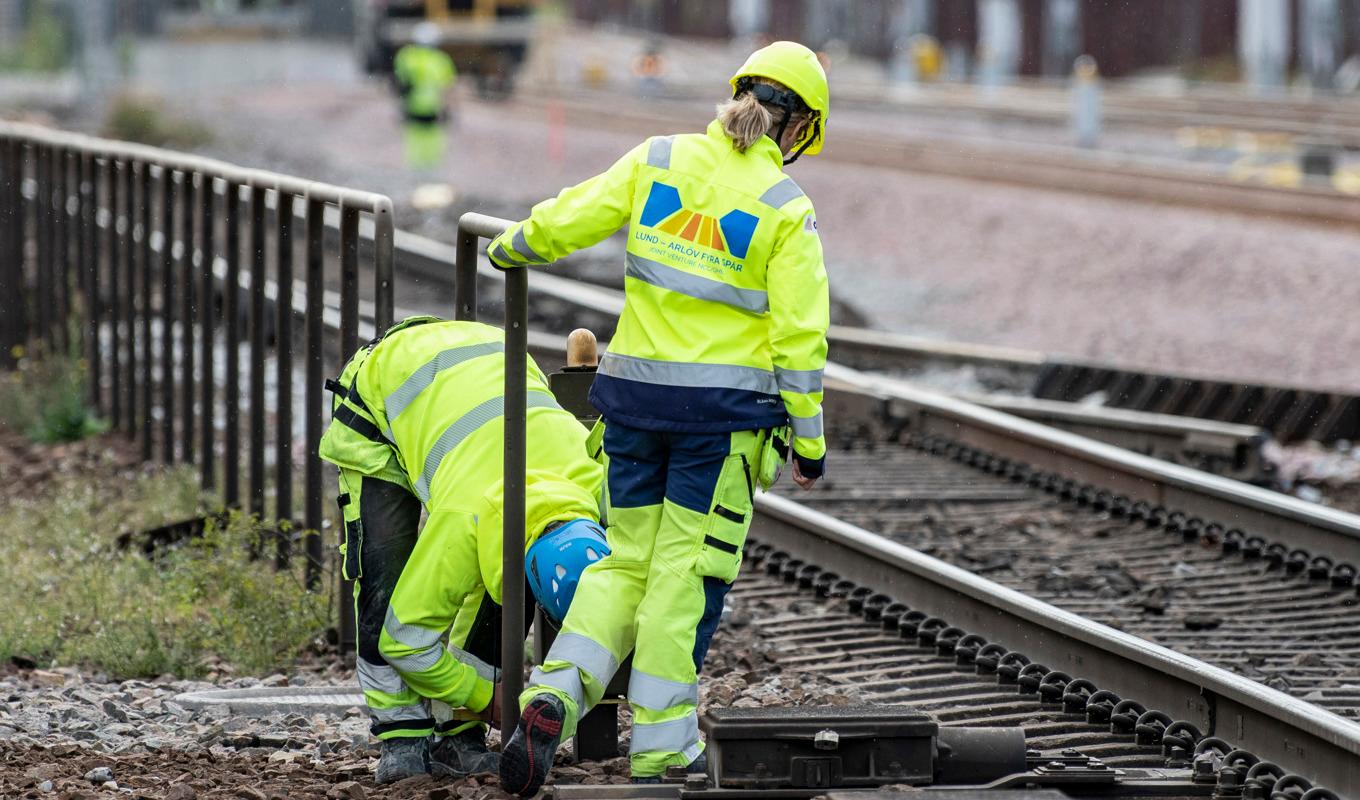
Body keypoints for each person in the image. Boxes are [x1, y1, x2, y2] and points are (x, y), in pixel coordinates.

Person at [484, 41, 832, 795]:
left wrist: (512, 246)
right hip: (719, 427)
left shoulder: (660, 158)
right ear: (799, 127)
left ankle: (553, 695)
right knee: (684, 578)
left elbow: (574, 217)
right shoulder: (784, 209)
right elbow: (800, 343)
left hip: (633, 409)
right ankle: (664, 751)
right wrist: (809, 442)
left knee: (625, 566)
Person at [318, 316, 607, 784]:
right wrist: (483, 695)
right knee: (383, 578)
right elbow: (405, 640)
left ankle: (459, 739)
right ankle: (401, 735)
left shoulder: (595, 481)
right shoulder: (463, 515)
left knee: (500, 590)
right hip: (384, 388)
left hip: (490, 352)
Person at [393, 22, 457, 170]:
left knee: (414, 144)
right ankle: (430, 175)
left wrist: (400, 104)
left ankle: (415, 173)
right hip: (433, 109)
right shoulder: (441, 60)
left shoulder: (406, 56)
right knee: (433, 146)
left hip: (412, 107)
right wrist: (450, 110)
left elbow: (399, 83)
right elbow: (448, 88)